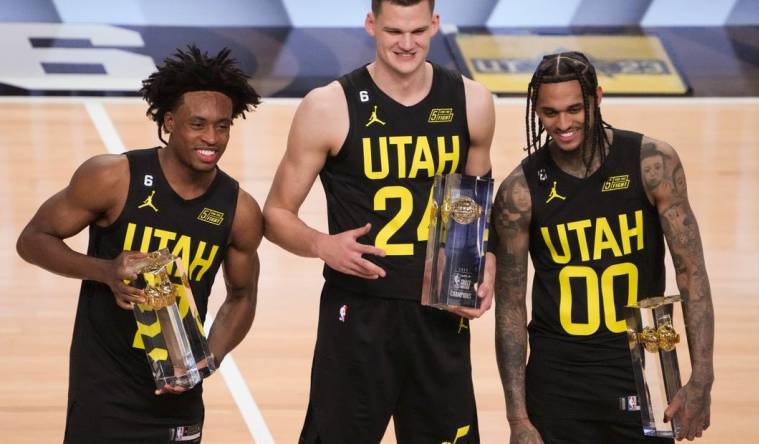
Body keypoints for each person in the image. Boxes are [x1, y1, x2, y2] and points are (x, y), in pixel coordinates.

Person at [262, 0, 495, 442]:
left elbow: (474, 208)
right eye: (393, 32)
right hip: (358, 314)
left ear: (435, 25)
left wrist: (487, 263)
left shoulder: (472, 100)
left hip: (440, 315)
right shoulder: (328, 106)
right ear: (371, 25)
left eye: (417, 31)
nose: (406, 44)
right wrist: (321, 244)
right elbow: (275, 214)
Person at [16, 45, 263, 443]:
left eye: (223, 125)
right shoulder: (113, 177)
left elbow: (242, 296)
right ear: (169, 122)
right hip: (104, 388)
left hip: (177, 399)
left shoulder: (239, 210)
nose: (212, 138)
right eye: (197, 124)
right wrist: (105, 271)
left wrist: (203, 363)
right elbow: (32, 240)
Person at [493, 52, 714, 443]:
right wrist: (517, 419)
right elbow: (510, 307)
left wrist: (701, 379)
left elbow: (691, 273)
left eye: (575, 109)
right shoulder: (519, 192)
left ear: (597, 98)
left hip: (641, 370)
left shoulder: (652, 163)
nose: (563, 124)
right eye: (549, 113)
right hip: (558, 379)